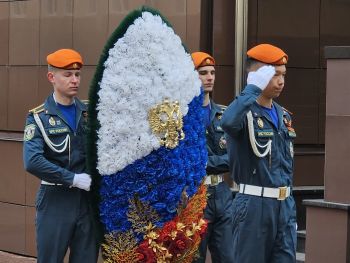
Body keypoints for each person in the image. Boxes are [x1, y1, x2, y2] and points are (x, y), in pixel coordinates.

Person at [221, 43, 297, 262]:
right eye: (274, 75)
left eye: (283, 75)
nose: (281, 81)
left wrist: (289, 210)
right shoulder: (243, 113)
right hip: (254, 206)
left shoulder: (283, 115)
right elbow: (227, 122)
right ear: (257, 76)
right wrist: (251, 90)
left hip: (284, 205)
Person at [23, 49, 98, 263]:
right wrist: (72, 178)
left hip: (86, 201)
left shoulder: (89, 114)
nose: (74, 80)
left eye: (77, 74)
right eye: (67, 75)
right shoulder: (38, 118)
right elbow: (32, 161)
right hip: (55, 200)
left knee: (86, 259)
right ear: (51, 77)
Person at [191, 52, 235, 263]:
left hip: (222, 194)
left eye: (212, 73)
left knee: (228, 257)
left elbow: (235, 158)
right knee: (195, 257)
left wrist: (209, 162)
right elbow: (192, 161)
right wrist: (219, 162)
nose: (209, 77)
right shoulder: (182, 117)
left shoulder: (223, 114)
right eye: (203, 73)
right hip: (194, 195)